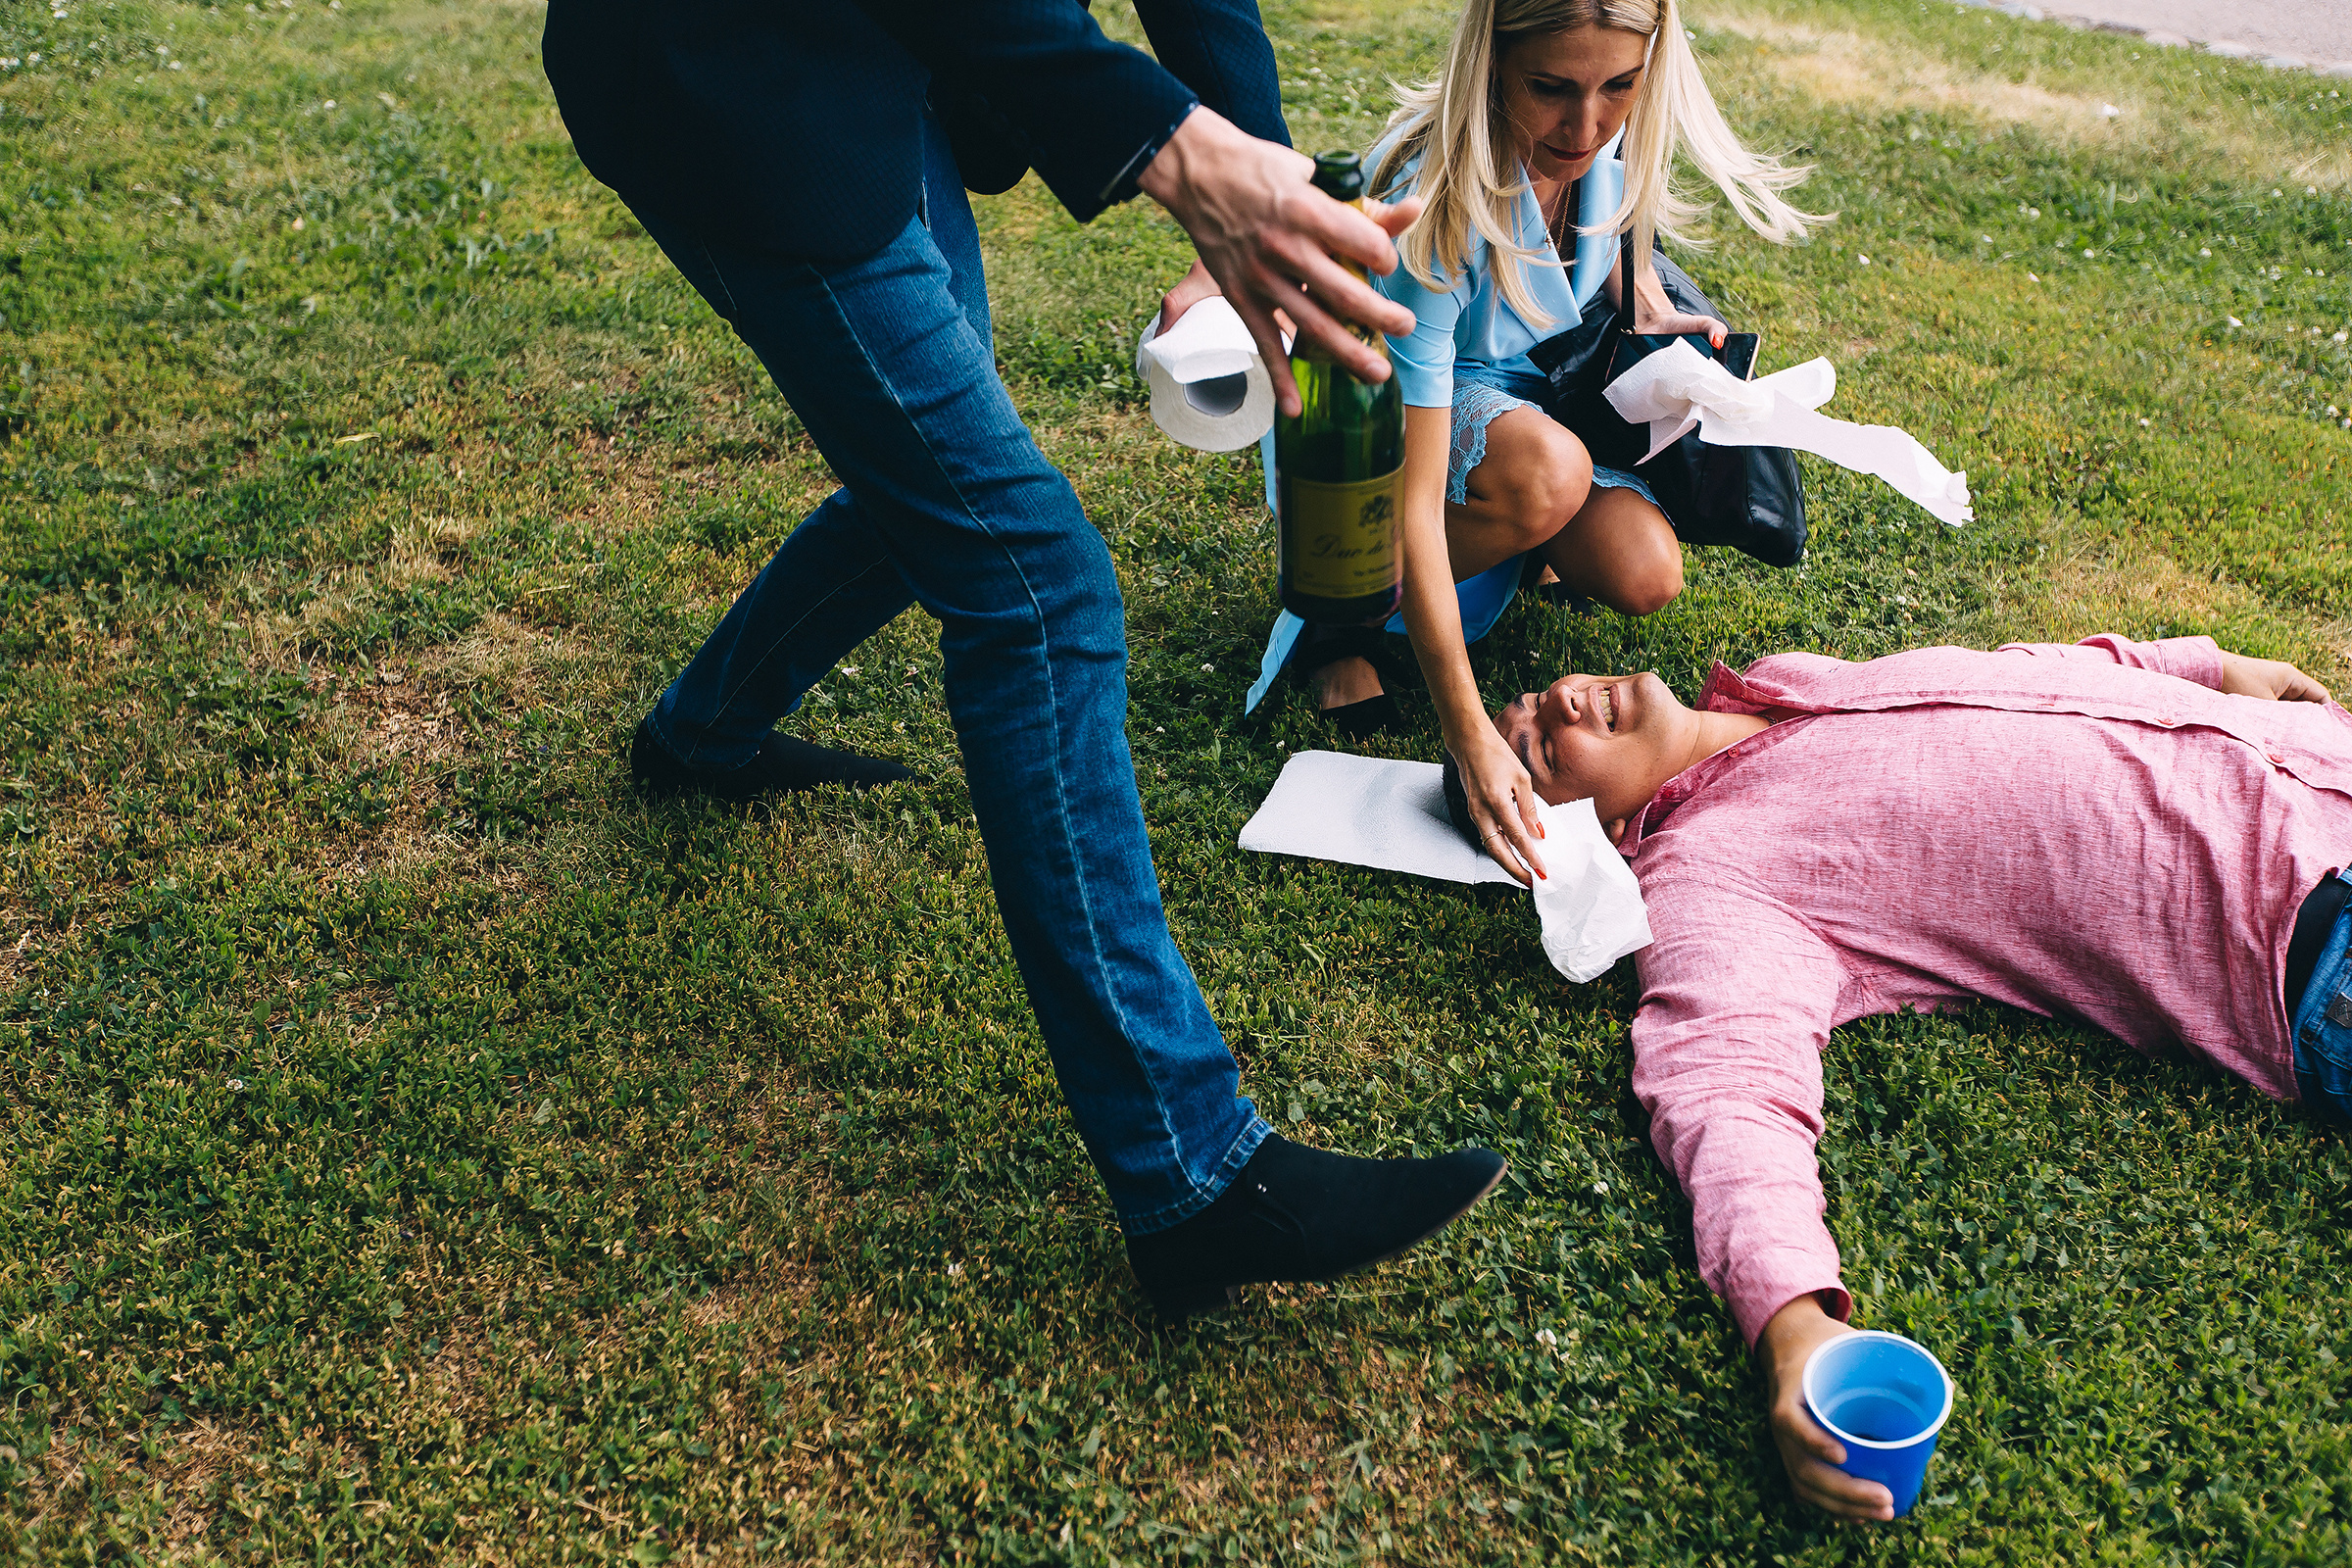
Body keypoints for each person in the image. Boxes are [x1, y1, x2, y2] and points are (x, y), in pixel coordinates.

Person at [538, 0, 1508, 1319]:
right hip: (730, 75)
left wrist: (1263, 204)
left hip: (877, 73)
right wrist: (1169, 147)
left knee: (930, 469)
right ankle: (1189, 1173)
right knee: (1035, 589)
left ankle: (700, 734)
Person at [1443, 633, 2348, 1518]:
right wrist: (1793, 1325)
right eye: (1540, 751)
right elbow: (1726, 1084)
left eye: (1530, 700)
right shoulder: (1707, 873)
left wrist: (2205, 666)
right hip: (2314, 941)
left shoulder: (1779, 683)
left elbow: (2016, 677)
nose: (1560, 697)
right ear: (1571, 834)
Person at [1270, 0, 1818, 888]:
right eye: (1551, 89)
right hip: (1377, 434)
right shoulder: (1429, 197)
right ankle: (1341, 616)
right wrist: (1469, 732)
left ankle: (1521, 538)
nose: (1587, 124)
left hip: (1534, 394)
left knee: (1647, 572)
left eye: (1619, 87)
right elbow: (1404, 494)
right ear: (1491, 61)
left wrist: (1652, 313)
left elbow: (1614, 238)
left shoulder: (1611, 131)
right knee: (1547, 475)